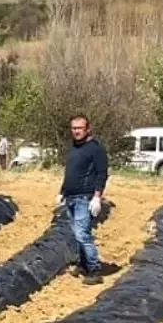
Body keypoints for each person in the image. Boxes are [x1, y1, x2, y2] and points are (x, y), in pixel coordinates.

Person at [58, 115, 109, 285]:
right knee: (77, 234)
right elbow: (70, 172)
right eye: (73, 128)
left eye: (79, 128)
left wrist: (97, 197)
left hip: (84, 198)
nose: (76, 131)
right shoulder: (74, 148)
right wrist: (62, 191)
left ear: (88, 129)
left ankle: (94, 270)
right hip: (71, 197)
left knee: (83, 234)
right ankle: (83, 264)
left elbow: (102, 174)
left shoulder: (96, 149)